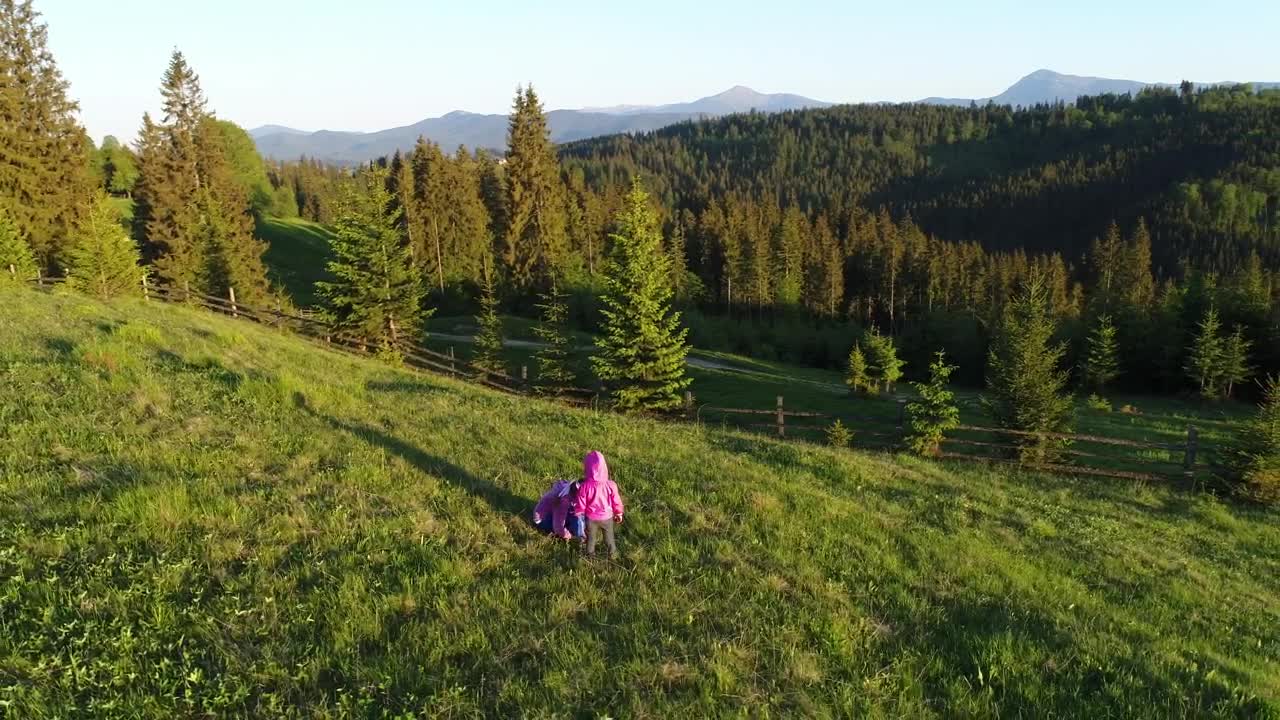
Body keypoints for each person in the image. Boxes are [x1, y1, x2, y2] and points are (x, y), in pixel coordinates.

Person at [573, 450, 624, 559]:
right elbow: (616, 501)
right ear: (604, 467)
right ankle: (613, 555)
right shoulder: (611, 485)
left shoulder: (584, 486)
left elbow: (581, 503)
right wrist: (619, 513)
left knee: (591, 539)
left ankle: (590, 557)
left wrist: (579, 513)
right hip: (607, 517)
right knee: (609, 538)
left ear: (587, 468)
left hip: (590, 518)